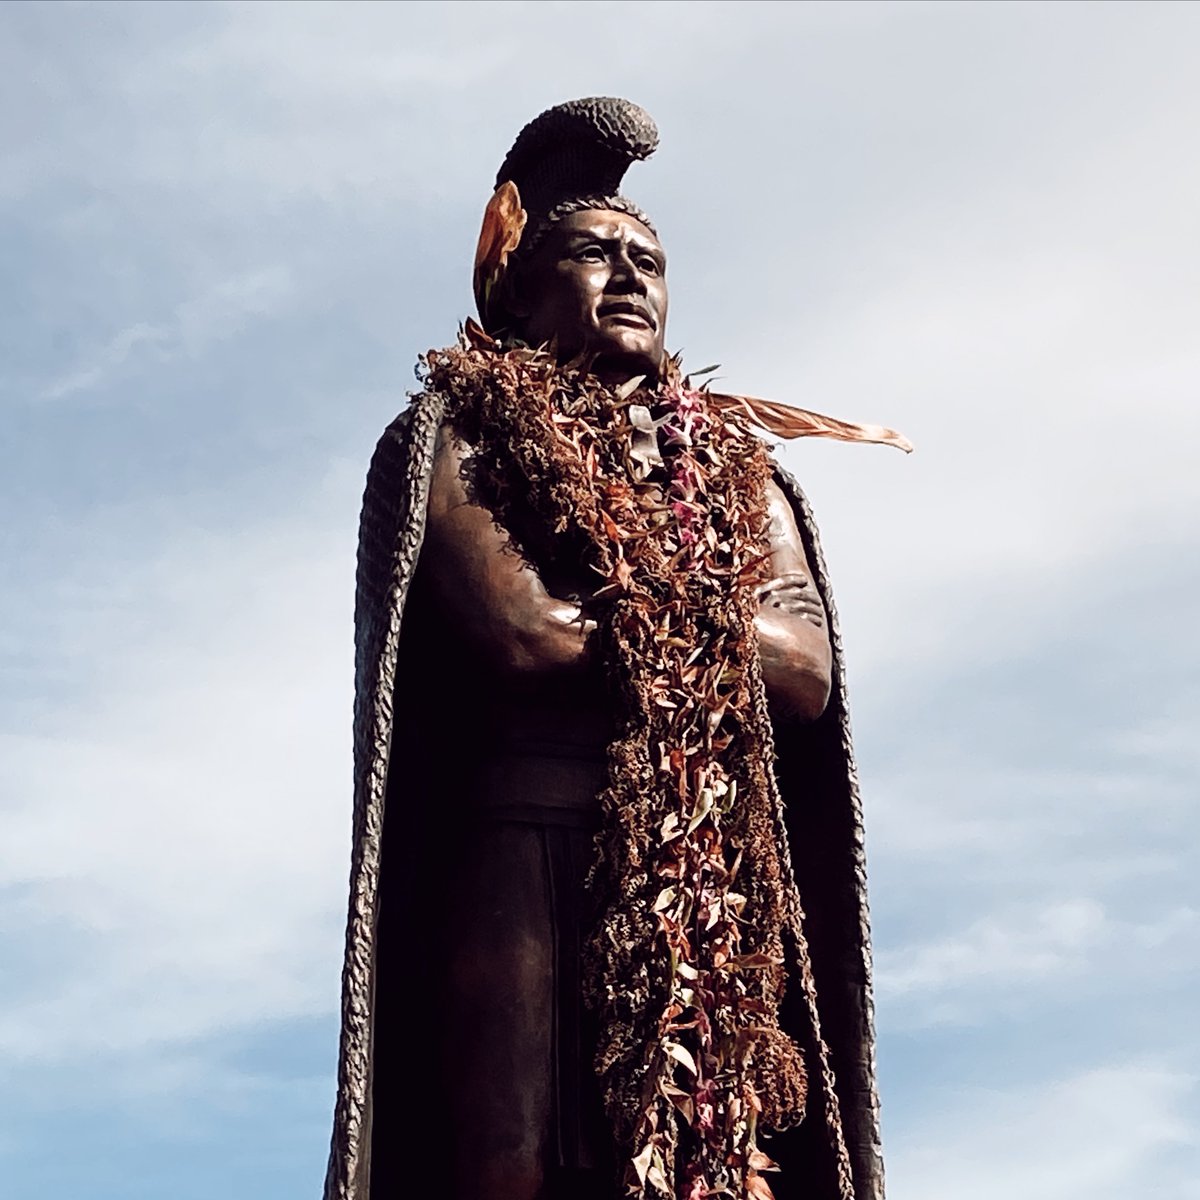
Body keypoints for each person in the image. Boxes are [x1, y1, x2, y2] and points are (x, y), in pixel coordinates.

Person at [324, 98, 904, 1200]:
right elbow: (524, 634)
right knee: (509, 1162)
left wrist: (635, 611)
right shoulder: (457, 436)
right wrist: (711, 619)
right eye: (593, 253)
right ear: (519, 288)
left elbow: (804, 670)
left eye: (649, 260)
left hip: (710, 863)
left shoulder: (746, 475)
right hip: (521, 851)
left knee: (708, 1155)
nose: (629, 275)